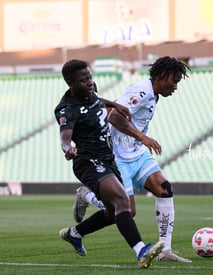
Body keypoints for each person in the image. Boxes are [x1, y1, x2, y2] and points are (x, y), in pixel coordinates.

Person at [72, 56, 191, 262]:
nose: (175, 86)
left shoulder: (154, 94)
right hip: (117, 157)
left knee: (164, 189)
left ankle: (165, 249)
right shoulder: (142, 91)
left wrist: (139, 140)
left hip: (136, 154)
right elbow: (113, 115)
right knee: (128, 211)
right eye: (174, 80)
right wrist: (143, 137)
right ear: (162, 76)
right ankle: (88, 197)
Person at [54, 59, 164, 268]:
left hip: (108, 159)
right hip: (88, 161)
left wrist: (114, 104)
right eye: (83, 80)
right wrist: (68, 149)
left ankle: (75, 233)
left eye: (90, 78)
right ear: (70, 83)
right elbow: (65, 138)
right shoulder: (66, 109)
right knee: (122, 201)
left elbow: (95, 100)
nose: (89, 82)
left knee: (116, 213)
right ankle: (141, 250)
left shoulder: (89, 92)